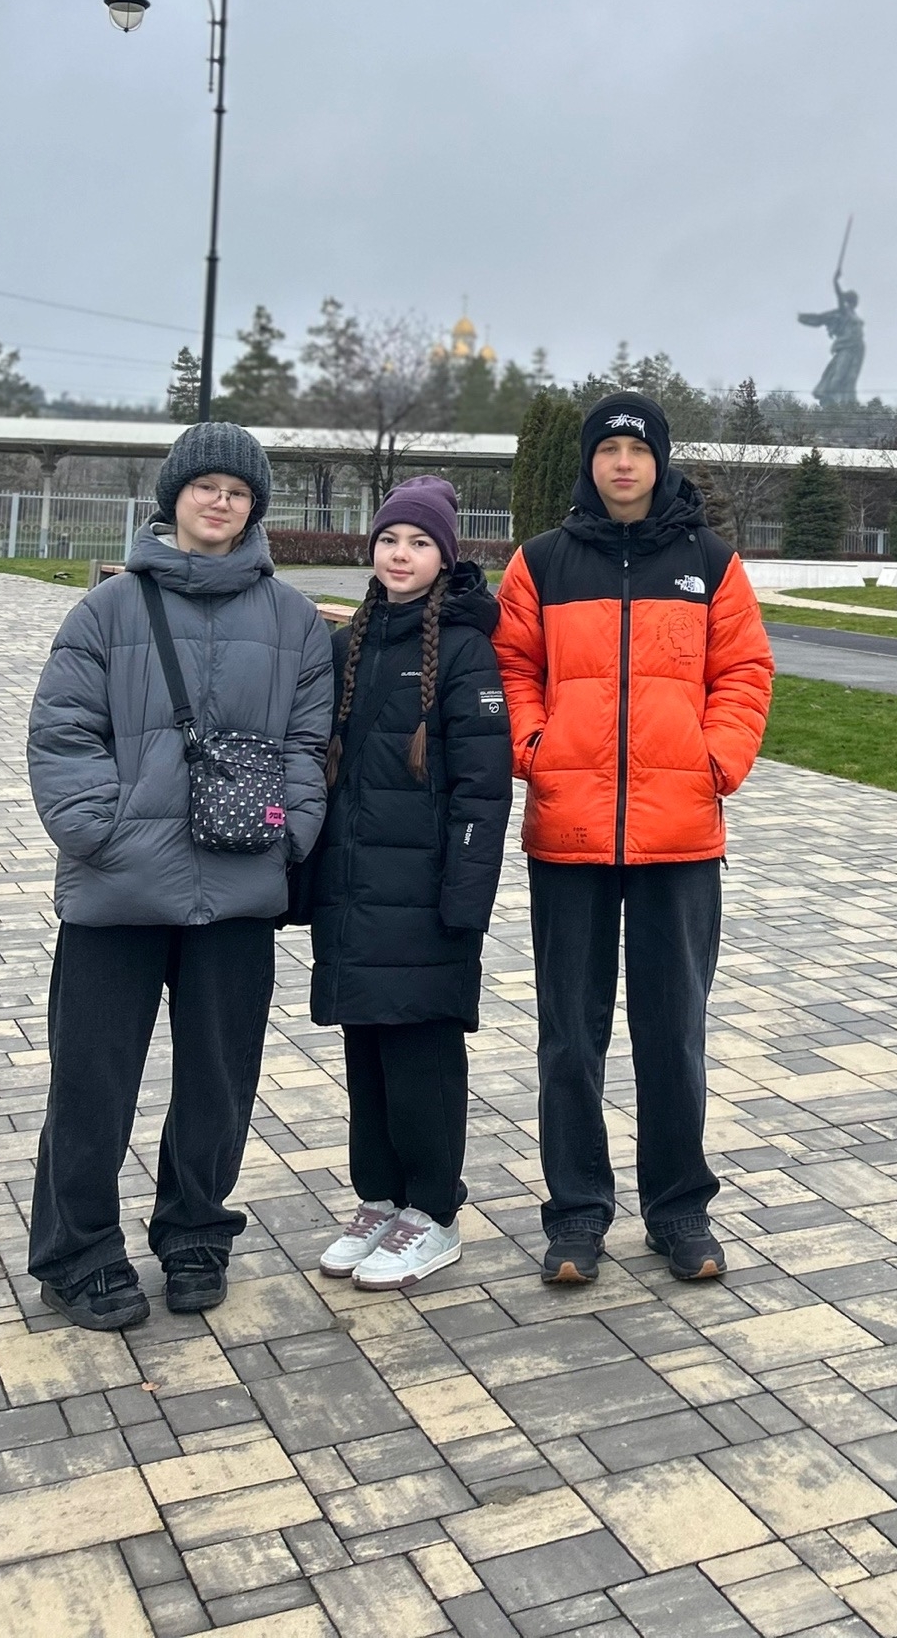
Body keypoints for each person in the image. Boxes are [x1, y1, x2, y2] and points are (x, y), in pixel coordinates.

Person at [26, 421, 332, 1330]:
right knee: (91, 1084)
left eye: (238, 492)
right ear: (175, 498)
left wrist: (290, 836)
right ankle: (78, 1253)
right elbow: (62, 732)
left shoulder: (294, 619)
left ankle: (196, 1232)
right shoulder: (108, 610)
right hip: (117, 891)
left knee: (218, 1081)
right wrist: (99, 832)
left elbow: (309, 744)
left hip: (237, 889)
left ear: (254, 507)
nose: (221, 502)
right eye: (205, 487)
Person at [495, 392, 773, 1285]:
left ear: (660, 462)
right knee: (569, 1039)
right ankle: (576, 1215)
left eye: (638, 450)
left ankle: (679, 1211)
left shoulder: (710, 564)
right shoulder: (542, 562)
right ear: (590, 462)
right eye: (608, 449)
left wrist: (714, 761)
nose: (623, 464)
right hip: (569, 834)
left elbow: (745, 671)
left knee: (673, 1033)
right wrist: (535, 748)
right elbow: (512, 667)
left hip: (679, 838)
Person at [303, 478, 512, 1290]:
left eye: (420, 543)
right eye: (390, 539)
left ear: (445, 557)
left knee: (421, 1054)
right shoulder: (348, 644)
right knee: (366, 1051)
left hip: (425, 898)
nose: (401, 555)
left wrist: (465, 896)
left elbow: (483, 790)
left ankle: (432, 1212)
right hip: (355, 890)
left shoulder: (464, 651)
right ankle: (381, 1198)